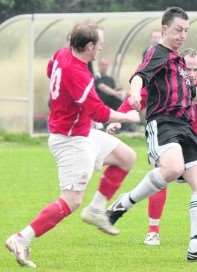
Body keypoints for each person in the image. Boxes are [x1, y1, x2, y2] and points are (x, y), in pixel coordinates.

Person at [5, 22, 141, 268]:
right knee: (71, 200)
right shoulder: (78, 73)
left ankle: (97, 210)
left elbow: (50, 70)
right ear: (89, 46)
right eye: (99, 44)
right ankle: (21, 238)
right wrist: (127, 117)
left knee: (126, 157)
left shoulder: (62, 54)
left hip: (81, 131)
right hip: (71, 141)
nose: (102, 48)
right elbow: (99, 111)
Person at [105, 7, 197, 261]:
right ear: (164, 29)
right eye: (178, 30)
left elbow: (191, 92)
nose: (183, 35)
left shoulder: (179, 61)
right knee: (172, 168)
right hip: (163, 123)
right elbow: (140, 76)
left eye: (186, 31)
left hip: (185, 129)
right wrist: (132, 93)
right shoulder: (157, 52)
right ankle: (122, 204)